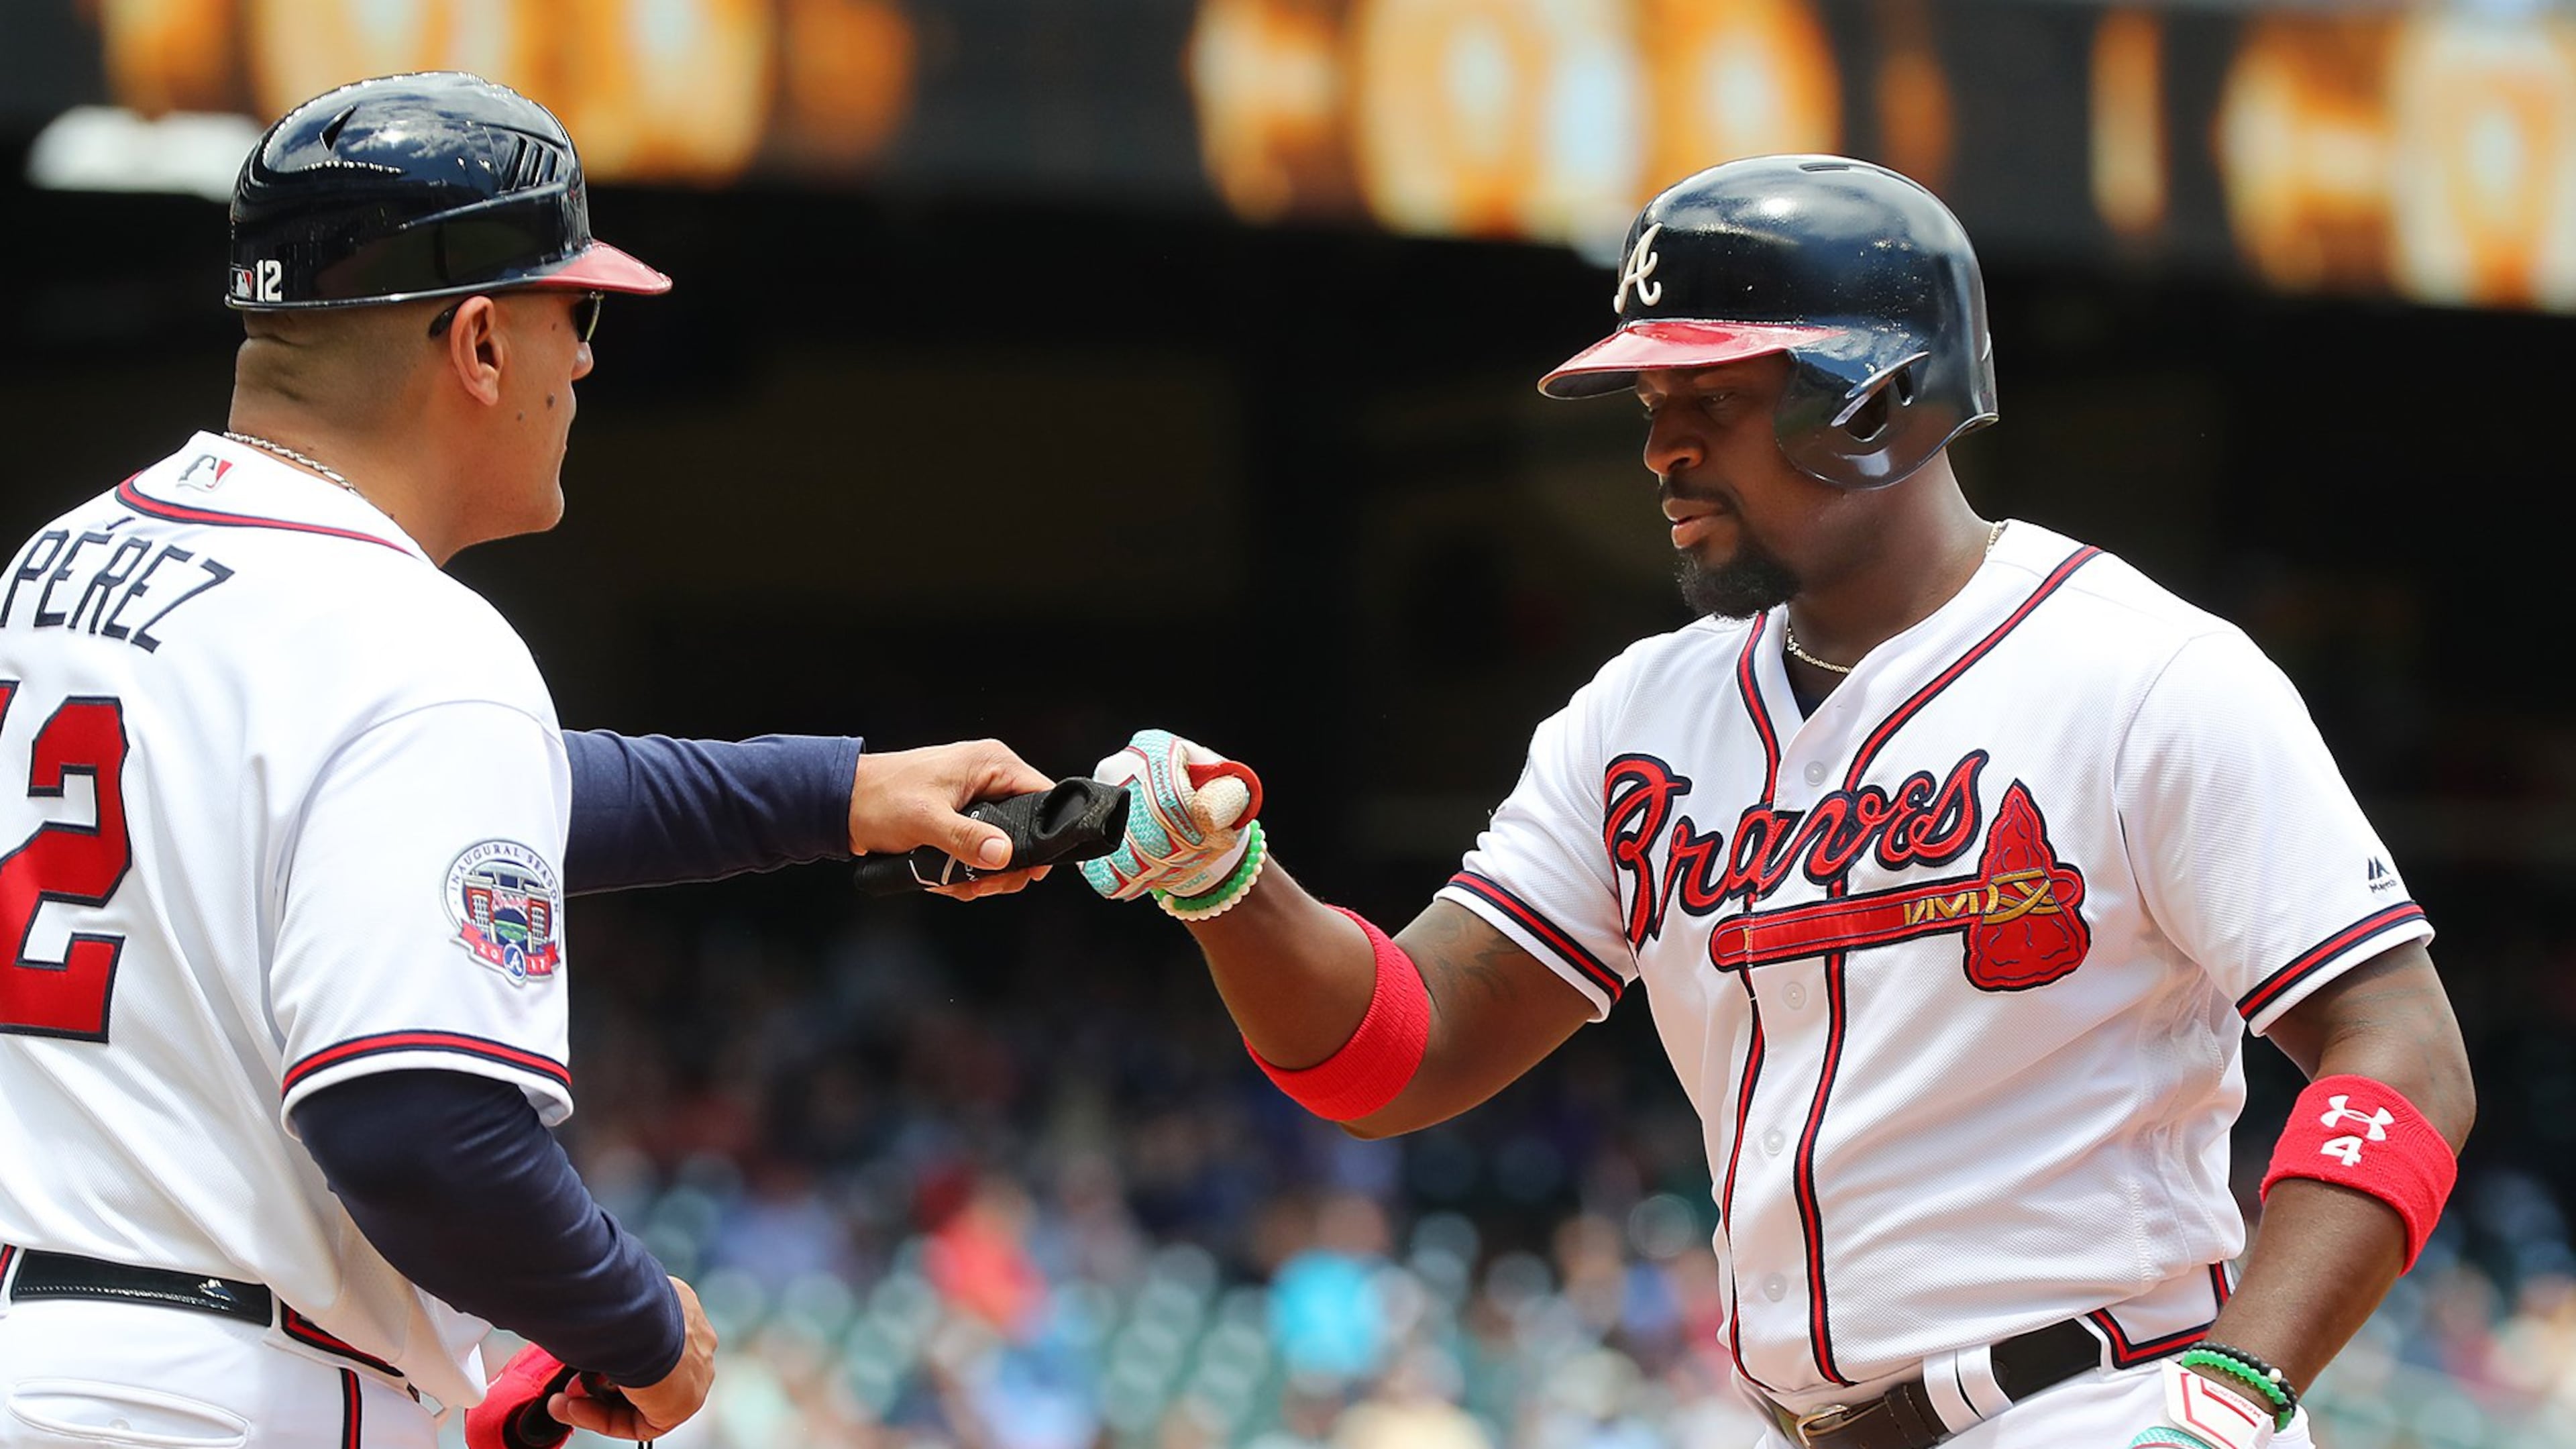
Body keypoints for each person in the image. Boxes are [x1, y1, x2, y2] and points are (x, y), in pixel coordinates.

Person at [1079, 156, 2475, 1449]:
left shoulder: (2146, 676)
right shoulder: (1644, 715)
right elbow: (1403, 1054)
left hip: (2105, 1403)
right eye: (1651, 408)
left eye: (1714, 402)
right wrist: (1226, 883)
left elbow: (2400, 1046)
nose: (1660, 451)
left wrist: (2237, 1385)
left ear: (1879, 399)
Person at [0, 72, 1050, 1448]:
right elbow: (415, 1128)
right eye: (581, 314)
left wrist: (837, 796)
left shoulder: (59, 566)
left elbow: (455, 784)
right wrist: (636, 1325)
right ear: (482, 342)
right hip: (223, 1399)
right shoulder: (411, 639)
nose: (591, 364)